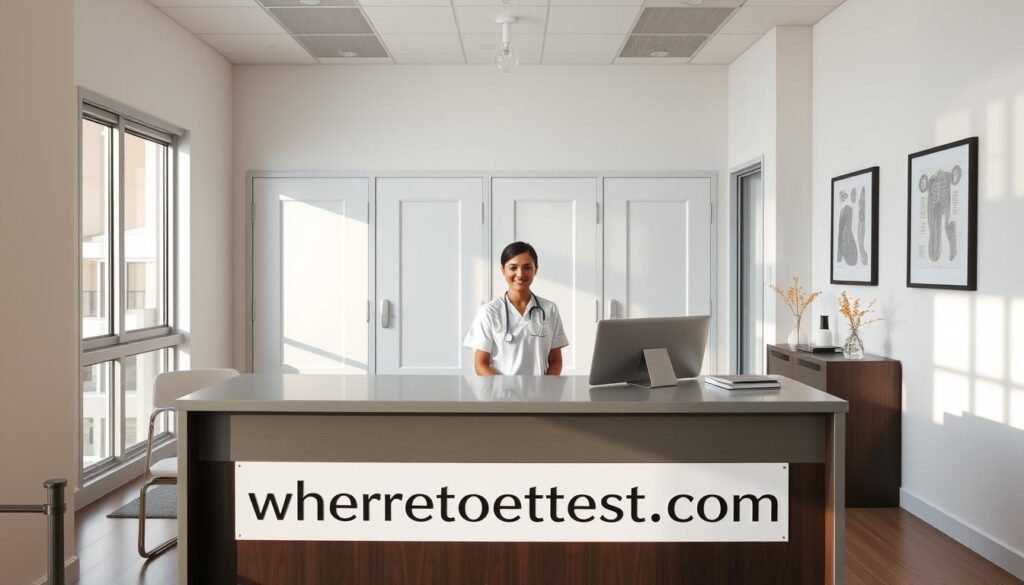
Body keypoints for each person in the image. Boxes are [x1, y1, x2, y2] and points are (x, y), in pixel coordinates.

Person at [463, 242, 569, 376]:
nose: (520, 274)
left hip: (540, 394)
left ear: (535, 269)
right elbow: (480, 364)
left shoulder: (549, 309)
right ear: (503, 270)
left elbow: (555, 361)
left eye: (527, 267)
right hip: (501, 394)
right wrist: (501, 391)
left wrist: (546, 389)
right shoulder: (489, 312)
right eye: (513, 267)